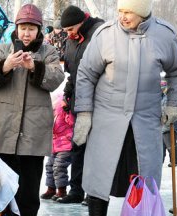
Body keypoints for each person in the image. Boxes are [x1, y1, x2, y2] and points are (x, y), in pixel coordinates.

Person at [73, 0, 177, 216]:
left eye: (129, 12)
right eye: (120, 11)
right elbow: (86, 74)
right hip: (107, 114)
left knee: (145, 173)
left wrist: (173, 104)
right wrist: (84, 113)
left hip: (145, 117)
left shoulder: (163, 35)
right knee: (100, 172)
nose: (123, 17)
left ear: (142, 13)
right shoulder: (105, 35)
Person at [0, 3, 64, 216]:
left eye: (31, 28)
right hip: (4, 127)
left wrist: (33, 67)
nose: (26, 33)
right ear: (16, 29)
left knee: (30, 183)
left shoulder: (48, 53)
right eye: (22, 28)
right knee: (1, 182)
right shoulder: (3, 49)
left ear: (38, 30)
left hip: (33, 130)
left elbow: (56, 79)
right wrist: (6, 66)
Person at [54, 5, 104, 205]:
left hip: (99, 101)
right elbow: (73, 73)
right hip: (78, 100)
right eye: (66, 31)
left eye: (70, 29)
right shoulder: (72, 41)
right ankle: (76, 190)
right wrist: (67, 94)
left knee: (96, 149)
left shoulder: (99, 33)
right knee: (78, 145)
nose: (68, 34)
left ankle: (95, 193)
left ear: (82, 22)